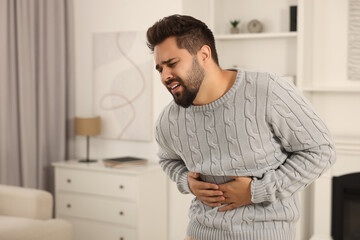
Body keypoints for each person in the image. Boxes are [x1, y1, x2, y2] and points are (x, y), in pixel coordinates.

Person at [146, 14, 336, 240]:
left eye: (172, 64)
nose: (165, 76)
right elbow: (168, 160)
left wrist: (256, 191)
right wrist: (186, 181)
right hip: (199, 233)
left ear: (204, 55)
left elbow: (321, 151)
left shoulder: (268, 90)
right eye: (159, 69)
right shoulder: (169, 120)